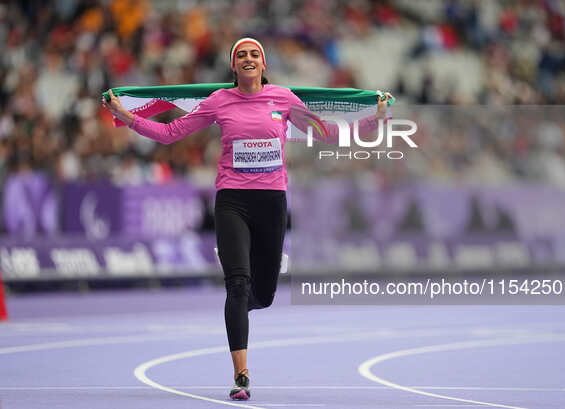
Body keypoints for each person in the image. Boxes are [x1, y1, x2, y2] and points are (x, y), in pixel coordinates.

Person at [102, 37, 392, 401]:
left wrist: (374, 121)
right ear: (234, 67)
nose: (249, 58)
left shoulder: (284, 99)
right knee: (237, 284)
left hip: (272, 203)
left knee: (264, 295)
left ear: (263, 65)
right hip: (232, 200)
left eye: (255, 54)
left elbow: (326, 133)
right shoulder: (218, 101)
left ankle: (241, 305)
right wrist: (127, 117)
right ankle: (241, 374)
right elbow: (169, 133)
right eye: (241, 55)